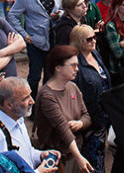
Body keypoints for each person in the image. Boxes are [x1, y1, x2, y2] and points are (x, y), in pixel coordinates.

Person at [34, 45, 92, 173]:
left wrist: (80, 123)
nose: (77, 69)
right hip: (56, 159)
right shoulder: (47, 96)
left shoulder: (73, 87)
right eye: (72, 65)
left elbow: (86, 116)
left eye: (77, 65)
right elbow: (62, 128)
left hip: (73, 153)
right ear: (58, 68)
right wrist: (79, 157)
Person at [8, 0, 62, 99]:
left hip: (53, 39)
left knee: (50, 76)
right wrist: (24, 34)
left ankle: (46, 103)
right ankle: (30, 105)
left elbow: (62, 10)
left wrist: (58, 15)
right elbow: (12, 15)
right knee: (34, 76)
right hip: (35, 41)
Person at [0, 77, 60, 172]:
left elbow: (27, 153)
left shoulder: (18, 119)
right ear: (9, 105)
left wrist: (41, 155)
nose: (32, 101)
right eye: (26, 98)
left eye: (30, 95)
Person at [70, 25, 110, 173]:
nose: (94, 41)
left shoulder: (95, 54)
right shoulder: (76, 65)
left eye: (94, 37)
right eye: (89, 39)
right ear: (79, 42)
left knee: (100, 156)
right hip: (89, 122)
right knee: (91, 161)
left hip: (102, 117)